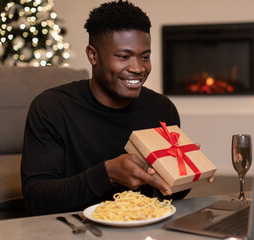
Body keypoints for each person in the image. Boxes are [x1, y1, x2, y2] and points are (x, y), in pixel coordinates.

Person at [21, 0, 195, 216]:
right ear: (93, 55)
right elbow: (37, 200)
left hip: (142, 226)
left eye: (145, 57)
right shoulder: (52, 108)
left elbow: (172, 195)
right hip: (72, 229)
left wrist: (186, 171)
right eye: (123, 56)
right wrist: (107, 174)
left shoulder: (161, 109)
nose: (138, 68)